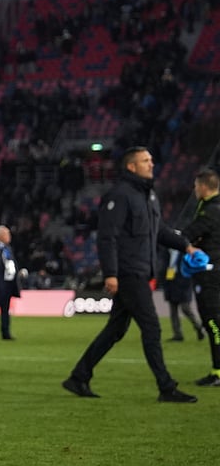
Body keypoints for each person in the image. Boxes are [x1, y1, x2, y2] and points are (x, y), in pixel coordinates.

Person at [63, 147, 198, 403]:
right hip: (128, 273)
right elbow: (107, 237)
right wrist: (111, 273)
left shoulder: (148, 196)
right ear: (131, 167)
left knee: (115, 330)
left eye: (151, 159)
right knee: (151, 327)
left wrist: (186, 245)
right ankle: (166, 387)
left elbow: (160, 231)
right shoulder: (121, 196)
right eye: (145, 160)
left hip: (138, 272)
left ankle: (79, 376)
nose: (151, 163)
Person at [181, 167, 220, 385]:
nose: (195, 190)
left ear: (204, 187)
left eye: (196, 186)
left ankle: (218, 372)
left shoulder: (210, 212)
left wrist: (189, 244)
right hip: (215, 272)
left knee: (213, 323)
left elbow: (188, 234)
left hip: (210, 275)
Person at [163, 250, 203, 342]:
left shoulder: (185, 252)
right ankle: (177, 334)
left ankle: (198, 327)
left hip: (183, 282)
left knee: (185, 308)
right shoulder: (166, 252)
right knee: (173, 309)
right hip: (171, 280)